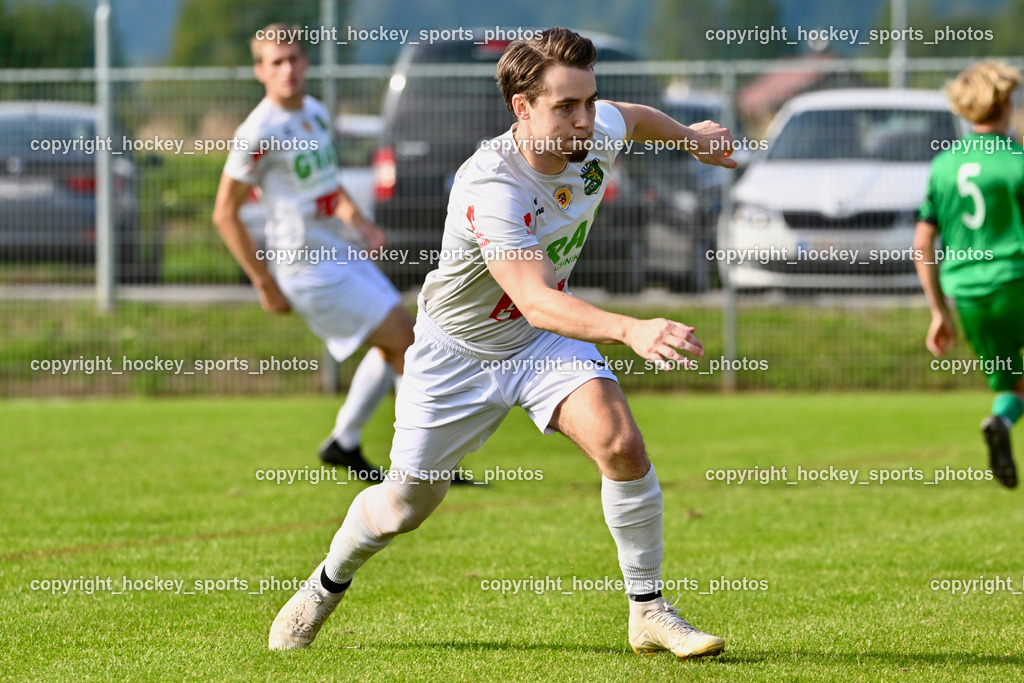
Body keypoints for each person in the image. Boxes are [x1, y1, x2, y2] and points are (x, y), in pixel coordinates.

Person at [268, 27, 737, 659]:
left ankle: (649, 611)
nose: (585, 120)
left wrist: (692, 139)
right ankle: (325, 585)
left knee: (621, 445)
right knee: (402, 508)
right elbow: (537, 297)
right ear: (522, 108)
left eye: (588, 101)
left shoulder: (595, 132)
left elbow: (632, 118)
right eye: (566, 107)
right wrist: (632, 328)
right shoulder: (492, 187)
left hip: (538, 345)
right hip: (456, 356)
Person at [212, 24, 414, 481]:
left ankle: (345, 442)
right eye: (276, 62)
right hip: (305, 267)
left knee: (395, 343)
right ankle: (420, 466)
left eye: (294, 59)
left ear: (305, 63)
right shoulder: (258, 131)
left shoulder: (316, 113)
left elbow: (329, 186)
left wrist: (361, 224)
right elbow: (225, 214)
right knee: (407, 340)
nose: (287, 69)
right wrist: (264, 283)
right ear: (260, 71)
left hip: (338, 250)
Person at [914, 60, 1024, 488]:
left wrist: (939, 311)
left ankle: (1000, 422)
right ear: (1007, 102)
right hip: (1017, 279)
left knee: (1010, 384)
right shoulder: (1017, 161)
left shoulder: (944, 166)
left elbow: (922, 243)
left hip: (970, 297)